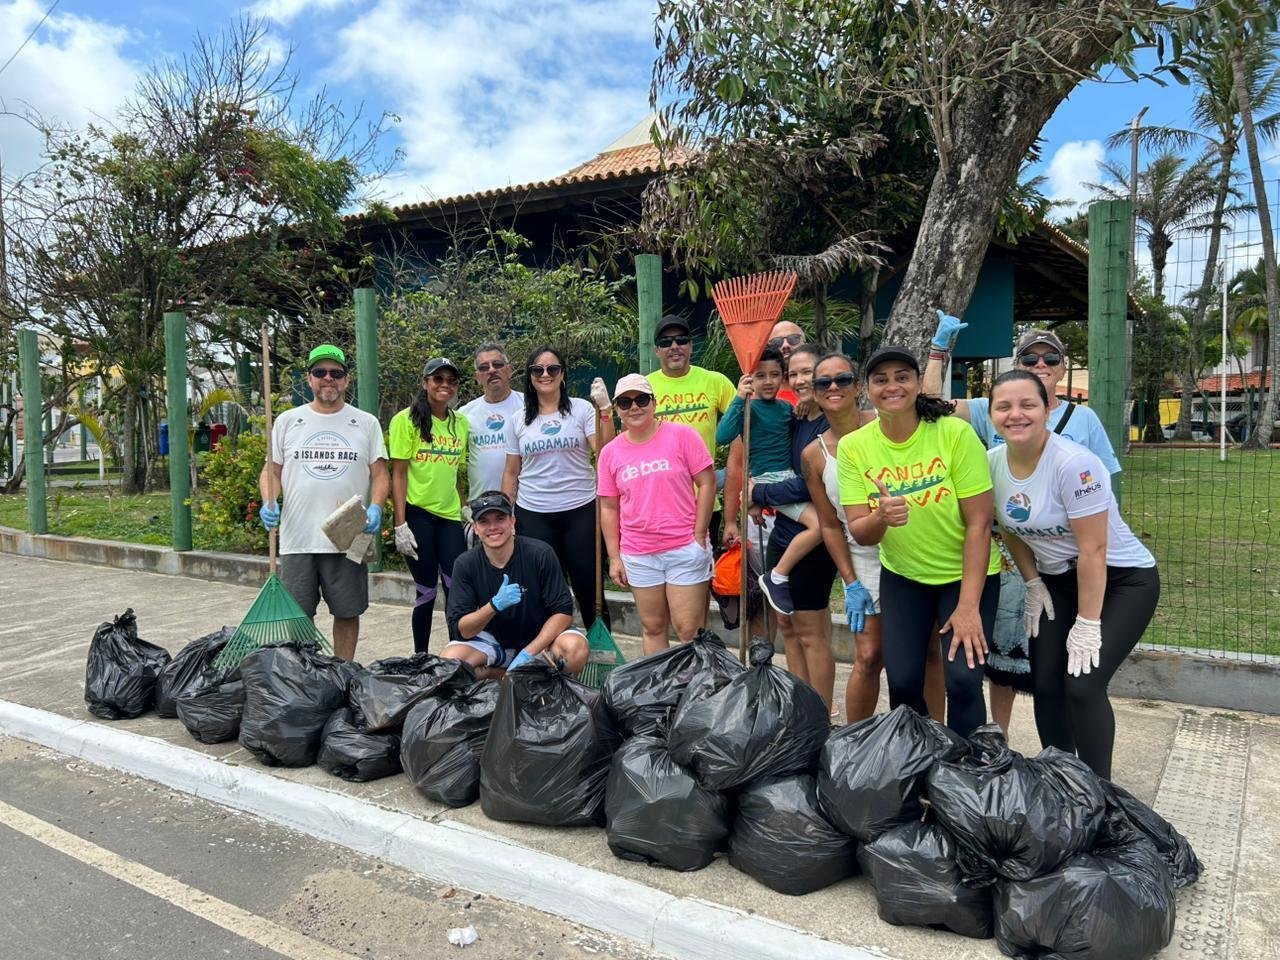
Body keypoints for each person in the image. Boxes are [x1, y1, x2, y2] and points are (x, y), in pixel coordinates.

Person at [924, 314, 1123, 734]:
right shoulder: (988, 409)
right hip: (1010, 551)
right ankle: (1000, 737)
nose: (1040, 363)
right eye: (1029, 357)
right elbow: (931, 404)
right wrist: (939, 352)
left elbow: (1106, 494)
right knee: (1002, 656)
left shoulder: (1083, 422)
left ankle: (1069, 755)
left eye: (1050, 357)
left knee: (1067, 667)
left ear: (1062, 367)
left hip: (1067, 558)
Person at [987, 369, 1158, 778]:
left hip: (1121, 581)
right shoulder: (991, 464)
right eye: (1004, 406)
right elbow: (1009, 531)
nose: (1016, 415)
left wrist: (1087, 623)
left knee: (1082, 685)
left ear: (1047, 409)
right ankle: (1061, 780)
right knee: (1045, 683)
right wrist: (1032, 583)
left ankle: (1100, 792)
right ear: (991, 414)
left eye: (1028, 404)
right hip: (1056, 580)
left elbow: (1093, 549)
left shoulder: (1075, 464)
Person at [838, 346, 1001, 736]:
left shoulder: (954, 434)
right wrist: (881, 516)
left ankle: (968, 776)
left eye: (902, 377)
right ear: (866, 389)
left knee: (962, 679)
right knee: (904, 683)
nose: (892, 386)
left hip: (964, 576)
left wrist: (967, 606)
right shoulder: (854, 447)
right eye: (881, 379)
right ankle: (917, 768)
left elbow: (980, 524)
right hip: (905, 577)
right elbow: (859, 530)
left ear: (916, 384)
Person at [258, 344, 389, 661]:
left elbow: (381, 474)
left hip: (349, 535)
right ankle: (307, 679)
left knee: (347, 611)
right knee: (299, 617)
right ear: (309, 379)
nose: (327, 378)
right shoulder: (289, 421)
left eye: (335, 373)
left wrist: (376, 506)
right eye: (320, 372)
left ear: (346, 380)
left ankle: (342, 672)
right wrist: (268, 501)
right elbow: (271, 471)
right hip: (298, 538)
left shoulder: (366, 423)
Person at [598, 374, 717, 653]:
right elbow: (608, 506)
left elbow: (707, 482)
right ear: (616, 410)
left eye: (641, 399)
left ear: (654, 402)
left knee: (690, 629)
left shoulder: (682, 435)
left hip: (683, 547)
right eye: (625, 403)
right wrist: (614, 556)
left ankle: (699, 692)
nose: (634, 407)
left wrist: (700, 533)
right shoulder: (610, 453)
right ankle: (660, 691)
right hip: (639, 552)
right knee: (652, 627)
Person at [502, 345, 614, 630]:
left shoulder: (581, 409)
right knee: (545, 590)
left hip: (581, 510)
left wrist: (605, 410)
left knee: (589, 586)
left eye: (552, 369)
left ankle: (602, 654)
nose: (545, 374)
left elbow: (606, 452)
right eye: (537, 370)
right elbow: (512, 471)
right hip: (534, 513)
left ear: (563, 374)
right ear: (529, 376)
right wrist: (506, 514)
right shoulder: (518, 420)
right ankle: (553, 654)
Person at [800, 353, 884, 721]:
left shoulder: (888, 425)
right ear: (814, 394)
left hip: (912, 548)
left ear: (859, 387)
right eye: (824, 383)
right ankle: (858, 742)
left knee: (920, 654)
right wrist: (850, 581)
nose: (834, 387)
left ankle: (924, 737)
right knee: (868, 656)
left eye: (843, 379)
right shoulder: (813, 455)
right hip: (864, 556)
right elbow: (830, 524)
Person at [716, 346, 822, 618]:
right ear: (751, 379)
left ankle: (779, 576)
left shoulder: (787, 409)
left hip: (786, 481)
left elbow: (803, 430)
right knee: (819, 525)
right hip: (765, 481)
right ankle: (777, 576)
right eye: (760, 375)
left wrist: (810, 402)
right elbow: (722, 435)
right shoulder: (748, 409)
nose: (768, 381)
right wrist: (740, 398)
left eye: (775, 374)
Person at [442, 490, 588, 679]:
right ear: (475, 528)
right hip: (494, 641)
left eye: (500, 518)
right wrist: (493, 606)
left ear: (512, 521)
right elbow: (462, 629)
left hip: (540, 639)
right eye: (484, 521)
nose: (493, 527)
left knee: (575, 649)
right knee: (450, 664)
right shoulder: (465, 564)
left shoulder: (540, 554)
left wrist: (528, 653)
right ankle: (506, 678)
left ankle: (543, 679)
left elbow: (563, 612)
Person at [388, 357, 469, 653]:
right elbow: (398, 473)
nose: (444, 385)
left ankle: (458, 653)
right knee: (425, 591)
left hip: (448, 517)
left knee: (455, 588)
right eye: (438, 379)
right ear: (425, 383)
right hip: (417, 515)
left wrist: (464, 508)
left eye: (451, 380)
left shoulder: (460, 423)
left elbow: (455, 472)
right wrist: (400, 524)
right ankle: (420, 657)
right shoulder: (405, 420)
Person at [645, 315, 736, 455]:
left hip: (705, 476)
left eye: (681, 340)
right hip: (660, 477)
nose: (674, 346)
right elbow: (630, 437)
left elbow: (743, 423)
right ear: (656, 350)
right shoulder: (644, 386)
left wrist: (734, 470)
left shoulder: (716, 381)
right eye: (665, 342)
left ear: (691, 346)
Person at [460, 343, 522, 500]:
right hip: (481, 507)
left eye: (497, 364)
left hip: (527, 504)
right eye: (484, 367)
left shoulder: (530, 406)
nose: (492, 370)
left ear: (509, 369)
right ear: (477, 377)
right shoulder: (465, 414)